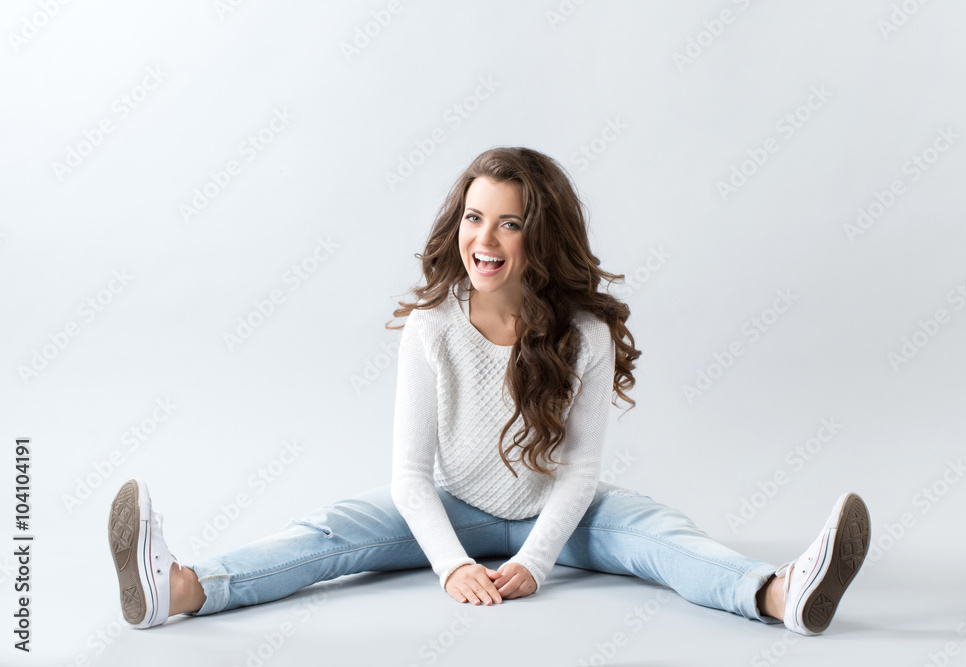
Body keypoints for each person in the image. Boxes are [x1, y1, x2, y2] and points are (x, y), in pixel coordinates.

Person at [107, 146, 870, 635]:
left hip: (561, 512)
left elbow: (579, 472)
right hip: (451, 507)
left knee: (661, 535)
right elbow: (410, 477)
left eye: (510, 224)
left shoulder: (586, 333)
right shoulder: (431, 328)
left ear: (544, 238)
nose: (485, 239)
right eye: (475, 217)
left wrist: (535, 561)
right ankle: (181, 588)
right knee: (330, 531)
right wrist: (451, 564)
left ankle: (779, 594)